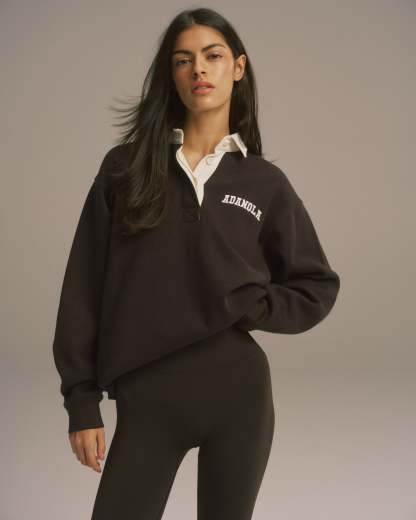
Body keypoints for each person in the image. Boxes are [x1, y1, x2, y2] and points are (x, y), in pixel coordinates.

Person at [52, 7, 341, 520]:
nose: (199, 70)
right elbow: (83, 286)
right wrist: (81, 402)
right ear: (172, 75)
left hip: (239, 395)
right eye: (183, 60)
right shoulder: (125, 168)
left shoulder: (263, 183)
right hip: (147, 397)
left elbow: (315, 284)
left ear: (238, 68)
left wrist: (251, 304)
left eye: (213, 56)